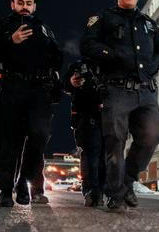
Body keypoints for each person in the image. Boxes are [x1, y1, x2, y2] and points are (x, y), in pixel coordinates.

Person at [80, 0, 159, 211]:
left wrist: (155, 64)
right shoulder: (104, 18)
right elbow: (87, 46)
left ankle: (127, 183)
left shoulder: (148, 23)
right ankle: (115, 196)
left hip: (146, 92)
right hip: (116, 90)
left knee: (152, 135)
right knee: (115, 144)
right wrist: (114, 55)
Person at [0, 0, 63, 207]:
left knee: (40, 135)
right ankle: (6, 190)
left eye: (29, 3)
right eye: (20, 2)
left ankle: (22, 181)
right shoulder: (2, 26)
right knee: (9, 142)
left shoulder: (43, 28)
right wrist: (10, 41)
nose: (24, 7)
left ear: (34, 6)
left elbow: (57, 56)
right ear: (12, 4)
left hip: (38, 91)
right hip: (12, 88)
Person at [63, 59, 105, 207]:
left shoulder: (112, 58)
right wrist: (71, 82)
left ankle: (100, 191)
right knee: (90, 154)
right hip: (87, 117)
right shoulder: (79, 65)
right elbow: (65, 84)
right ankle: (91, 192)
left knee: (106, 156)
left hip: (109, 115)